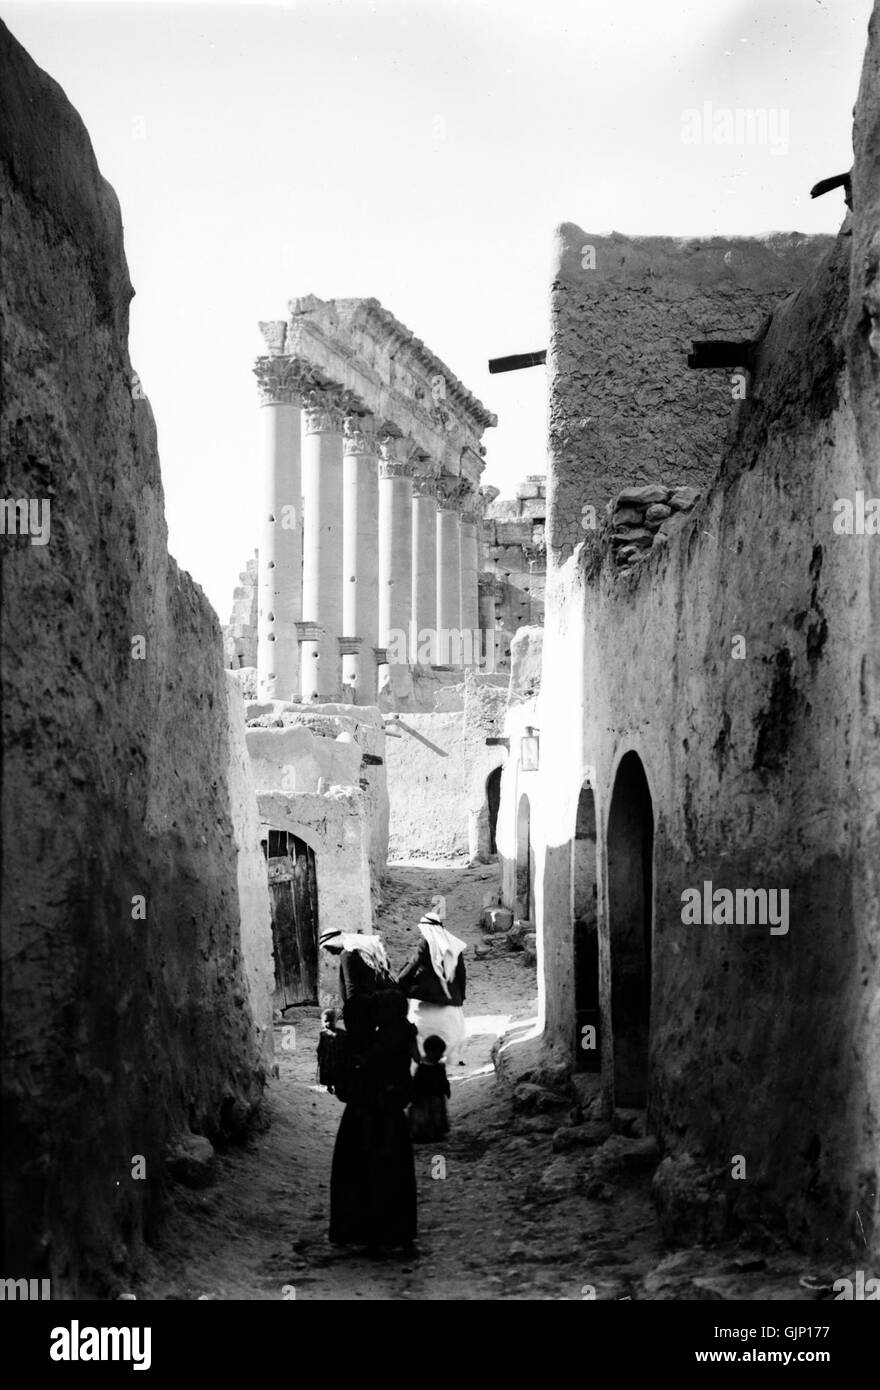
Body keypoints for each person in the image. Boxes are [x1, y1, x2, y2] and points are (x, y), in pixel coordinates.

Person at [329, 990, 418, 1256]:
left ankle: (357, 1230)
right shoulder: (403, 1036)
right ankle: (395, 1232)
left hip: (359, 1119)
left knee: (357, 1174)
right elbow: (408, 1086)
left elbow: (345, 1089)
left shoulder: (365, 1044)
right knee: (392, 1174)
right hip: (391, 1119)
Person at [396, 912, 468, 1066]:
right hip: (450, 997)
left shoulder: (426, 943)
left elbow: (412, 965)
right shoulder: (454, 944)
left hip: (426, 998)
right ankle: (450, 1057)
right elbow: (461, 973)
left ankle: (425, 1057)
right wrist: (460, 995)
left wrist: (399, 984)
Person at [319, 927, 395, 1004]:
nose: (330, 952)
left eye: (329, 948)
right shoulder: (363, 950)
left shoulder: (347, 954)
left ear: (334, 942)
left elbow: (351, 986)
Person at [408, 1035, 450, 1142]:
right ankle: (424, 1135)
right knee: (426, 1117)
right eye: (439, 1052)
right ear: (430, 1051)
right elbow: (417, 1083)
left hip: (437, 1096)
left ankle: (436, 1134)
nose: (441, 1055)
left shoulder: (439, 1066)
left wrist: (446, 1089)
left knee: (436, 1116)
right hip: (424, 1098)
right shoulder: (423, 1067)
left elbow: (444, 1080)